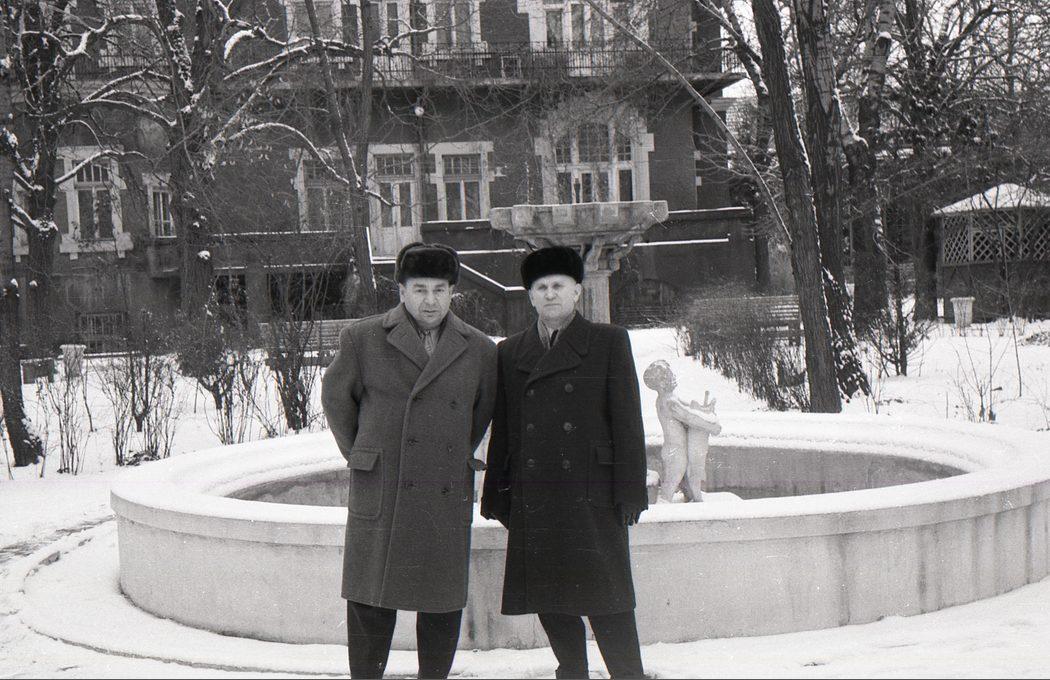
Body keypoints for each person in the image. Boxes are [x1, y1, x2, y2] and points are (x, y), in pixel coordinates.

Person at [321, 242, 497, 679]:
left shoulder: (479, 348)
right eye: (419, 289)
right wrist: (366, 454)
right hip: (384, 487)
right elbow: (337, 401)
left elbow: (480, 414)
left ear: (453, 291)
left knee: (440, 603)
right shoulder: (363, 338)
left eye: (440, 289)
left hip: (443, 489)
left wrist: (448, 451)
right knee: (370, 599)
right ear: (401, 291)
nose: (430, 300)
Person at [480, 246, 649, 679]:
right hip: (535, 493)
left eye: (558, 285)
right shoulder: (510, 351)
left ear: (577, 291)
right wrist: (496, 495)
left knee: (607, 597)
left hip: (592, 492)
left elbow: (628, 422)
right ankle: (571, 670)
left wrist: (631, 492)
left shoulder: (608, 341)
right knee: (549, 596)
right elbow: (505, 426)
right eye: (541, 287)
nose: (550, 294)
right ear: (530, 297)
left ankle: (627, 674)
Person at [642, 359, 722, 502]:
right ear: (661, 383)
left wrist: (704, 409)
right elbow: (689, 417)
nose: (673, 377)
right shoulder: (669, 402)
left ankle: (691, 502)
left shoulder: (669, 398)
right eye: (668, 376)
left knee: (685, 484)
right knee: (670, 485)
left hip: (676, 449)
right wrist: (711, 425)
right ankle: (663, 508)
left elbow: (690, 408)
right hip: (676, 451)